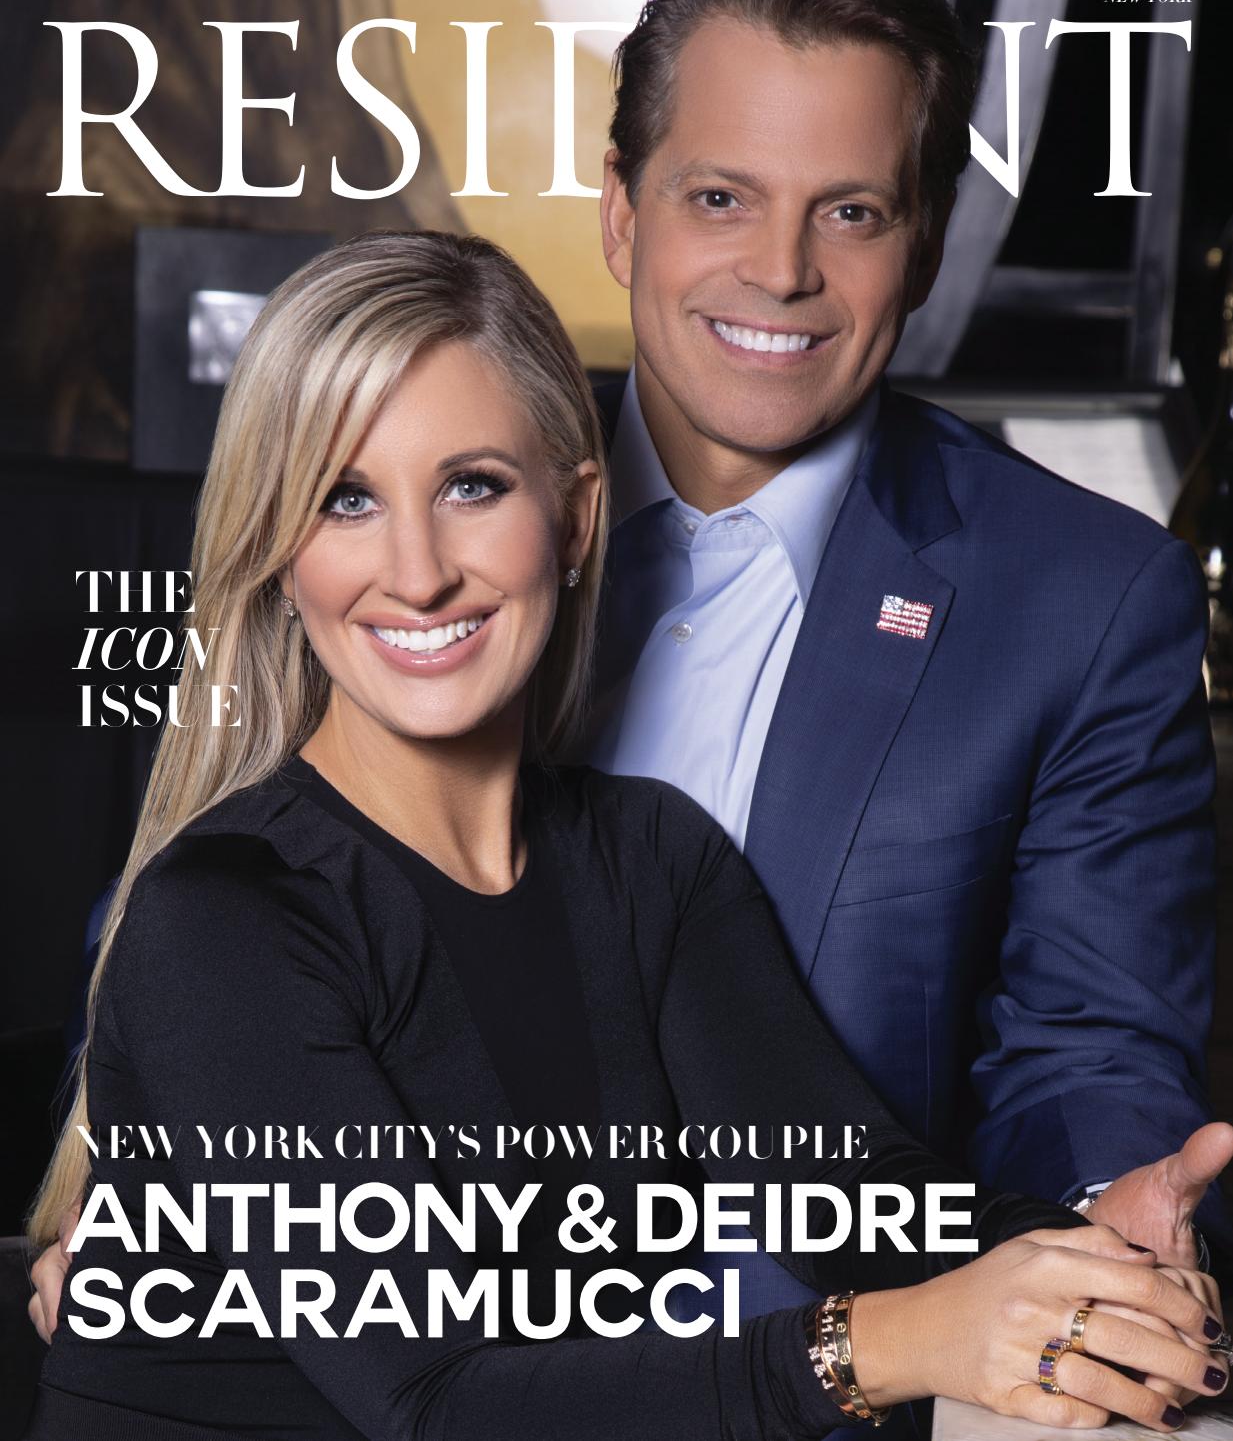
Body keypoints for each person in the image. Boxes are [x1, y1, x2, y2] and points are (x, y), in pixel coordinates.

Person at [19, 233, 1228, 1439]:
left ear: (578, 512)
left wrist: (1095, 1251)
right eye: (347, 499)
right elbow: (435, 1404)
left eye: (472, 484)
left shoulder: (648, 858)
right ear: (284, 557)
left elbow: (858, 1202)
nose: (418, 570)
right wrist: (898, 1338)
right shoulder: (222, 919)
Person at [583, 0, 1233, 1319]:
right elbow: (204, 883)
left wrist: (1099, 1218)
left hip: (830, 1382)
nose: (780, 270)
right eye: (719, 197)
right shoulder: (428, 502)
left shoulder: (1086, 599)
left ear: (923, 241)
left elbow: (1081, 1054)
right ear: (620, 214)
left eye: (852, 212)